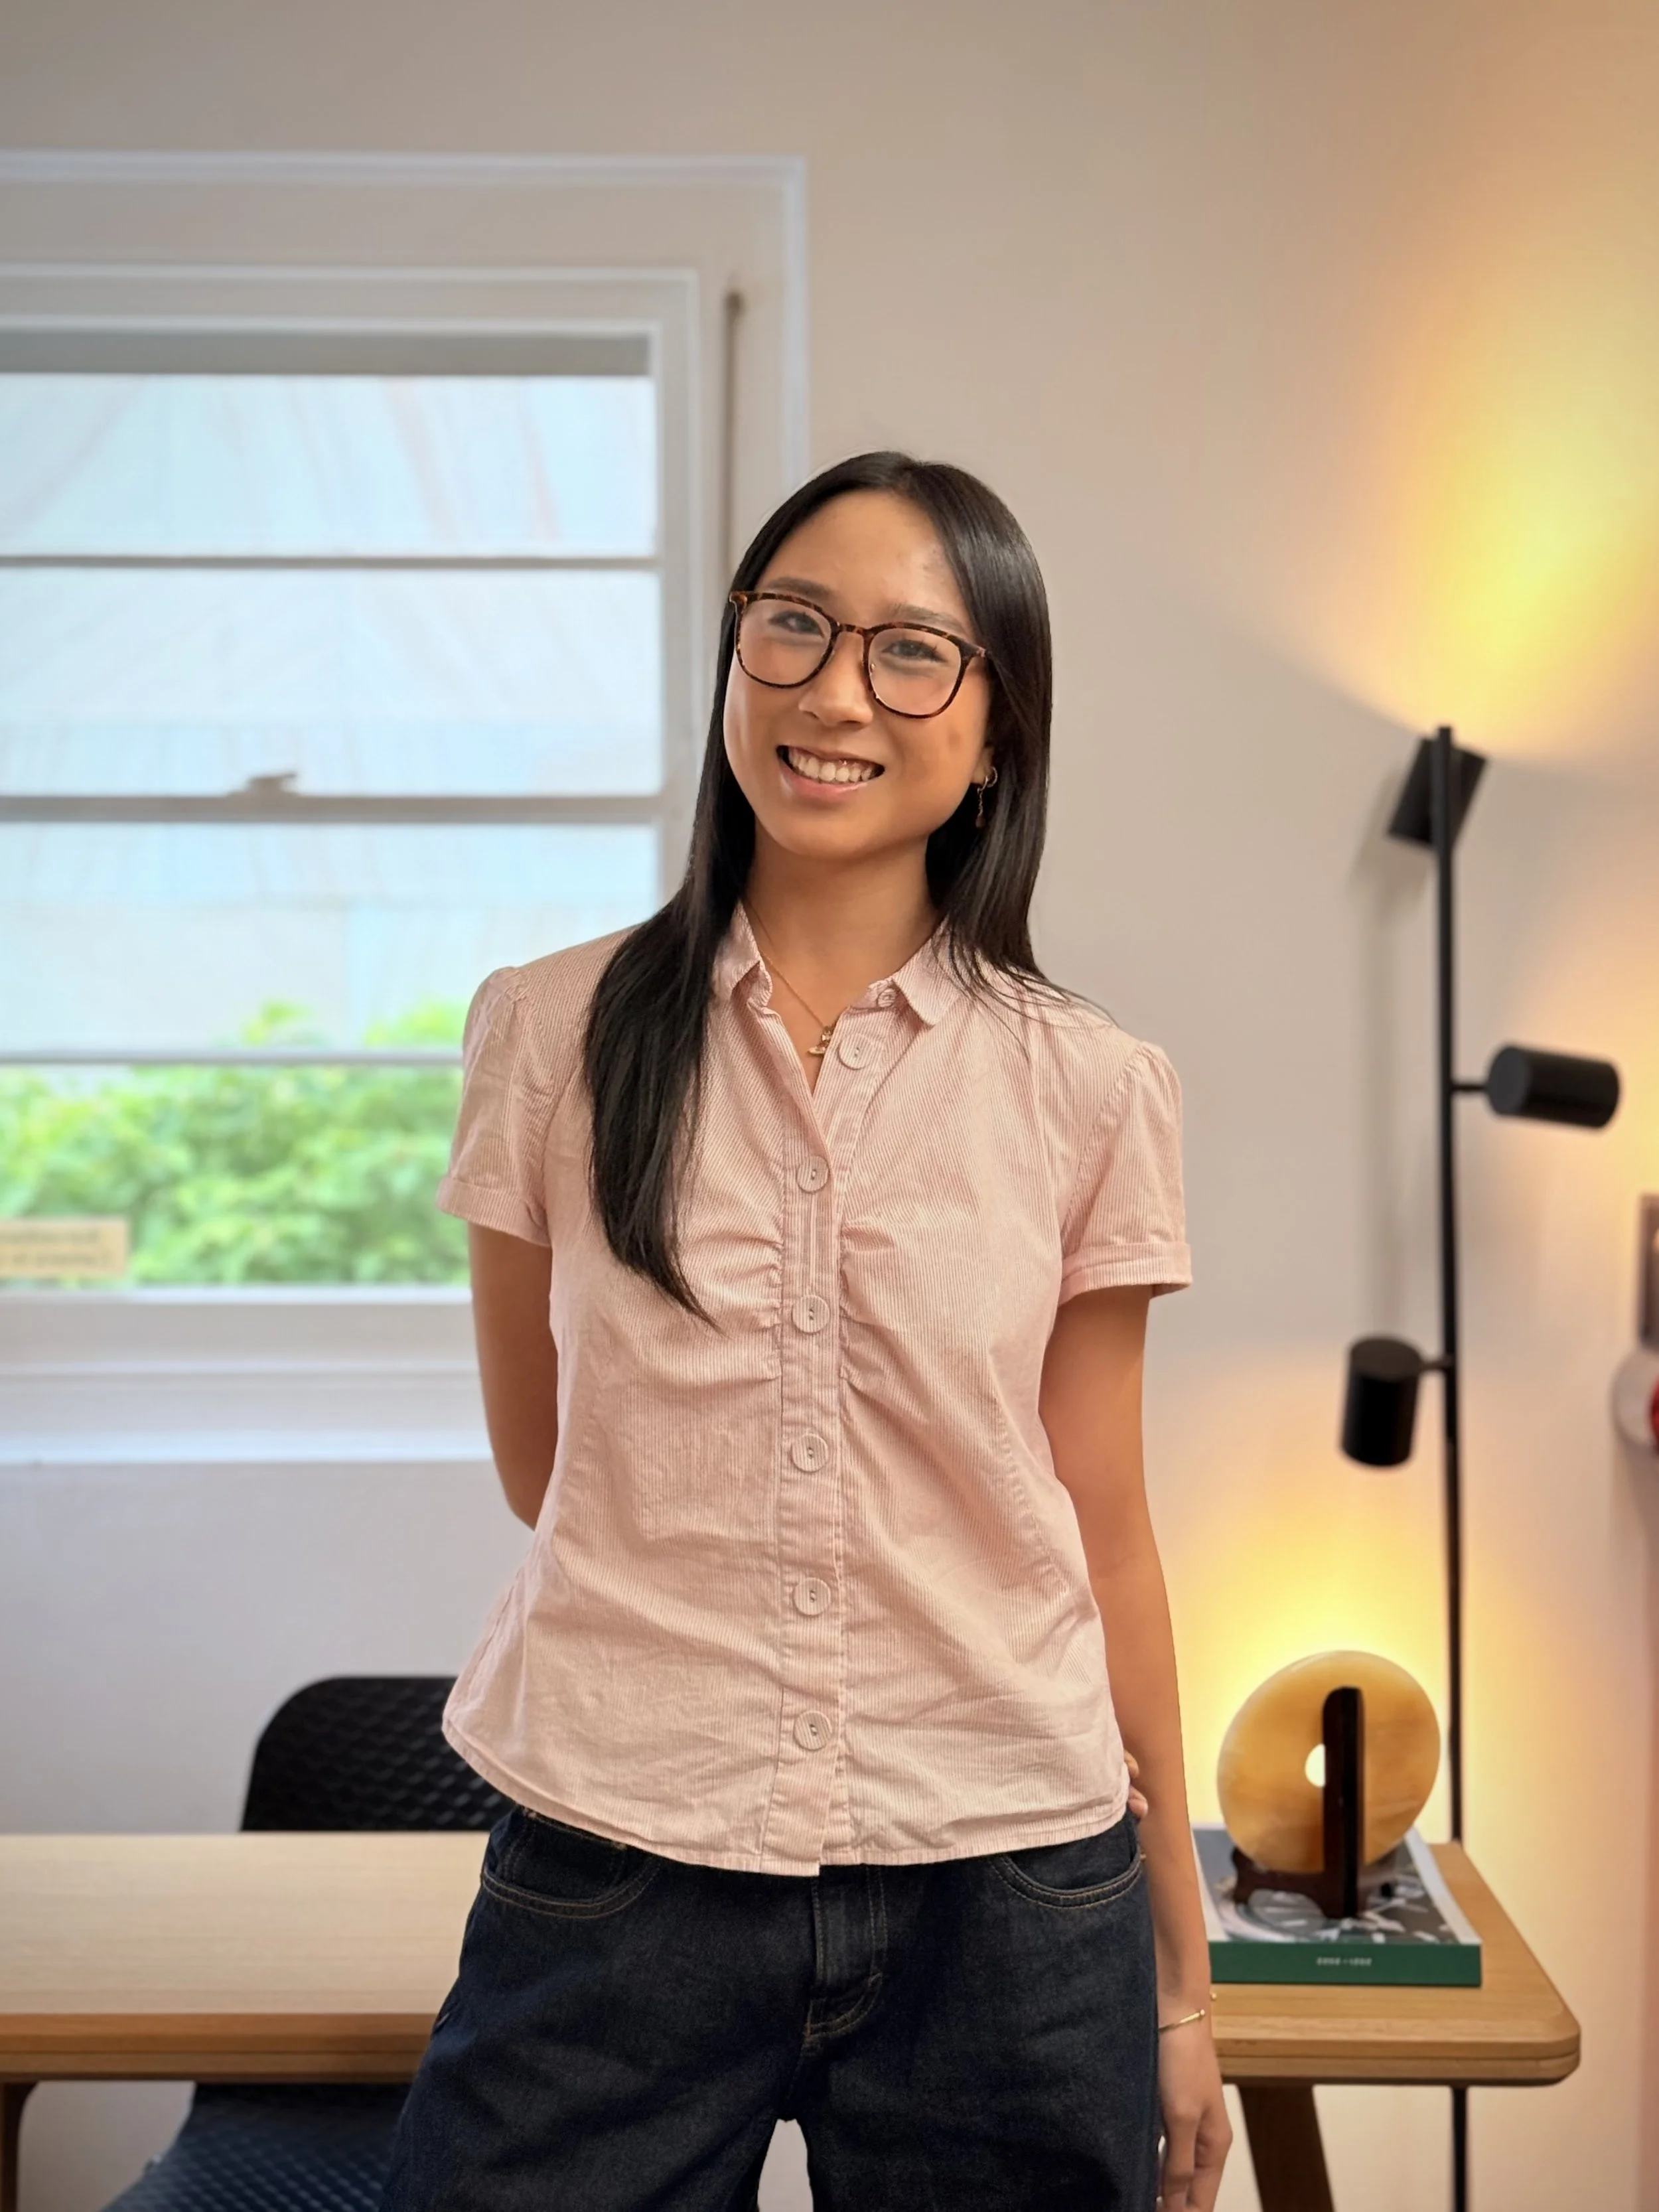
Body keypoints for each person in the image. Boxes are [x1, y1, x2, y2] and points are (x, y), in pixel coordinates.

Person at [380, 452, 1230, 2212]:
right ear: (734, 662)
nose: (837, 691)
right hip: (623, 1856)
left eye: (912, 652)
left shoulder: (1090, 1083)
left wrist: (1179, 1984)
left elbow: (1102, 1534)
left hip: (1009, 1881)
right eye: (794, 627)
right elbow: (551, 1470)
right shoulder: (548, 1032)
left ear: (993, 735)